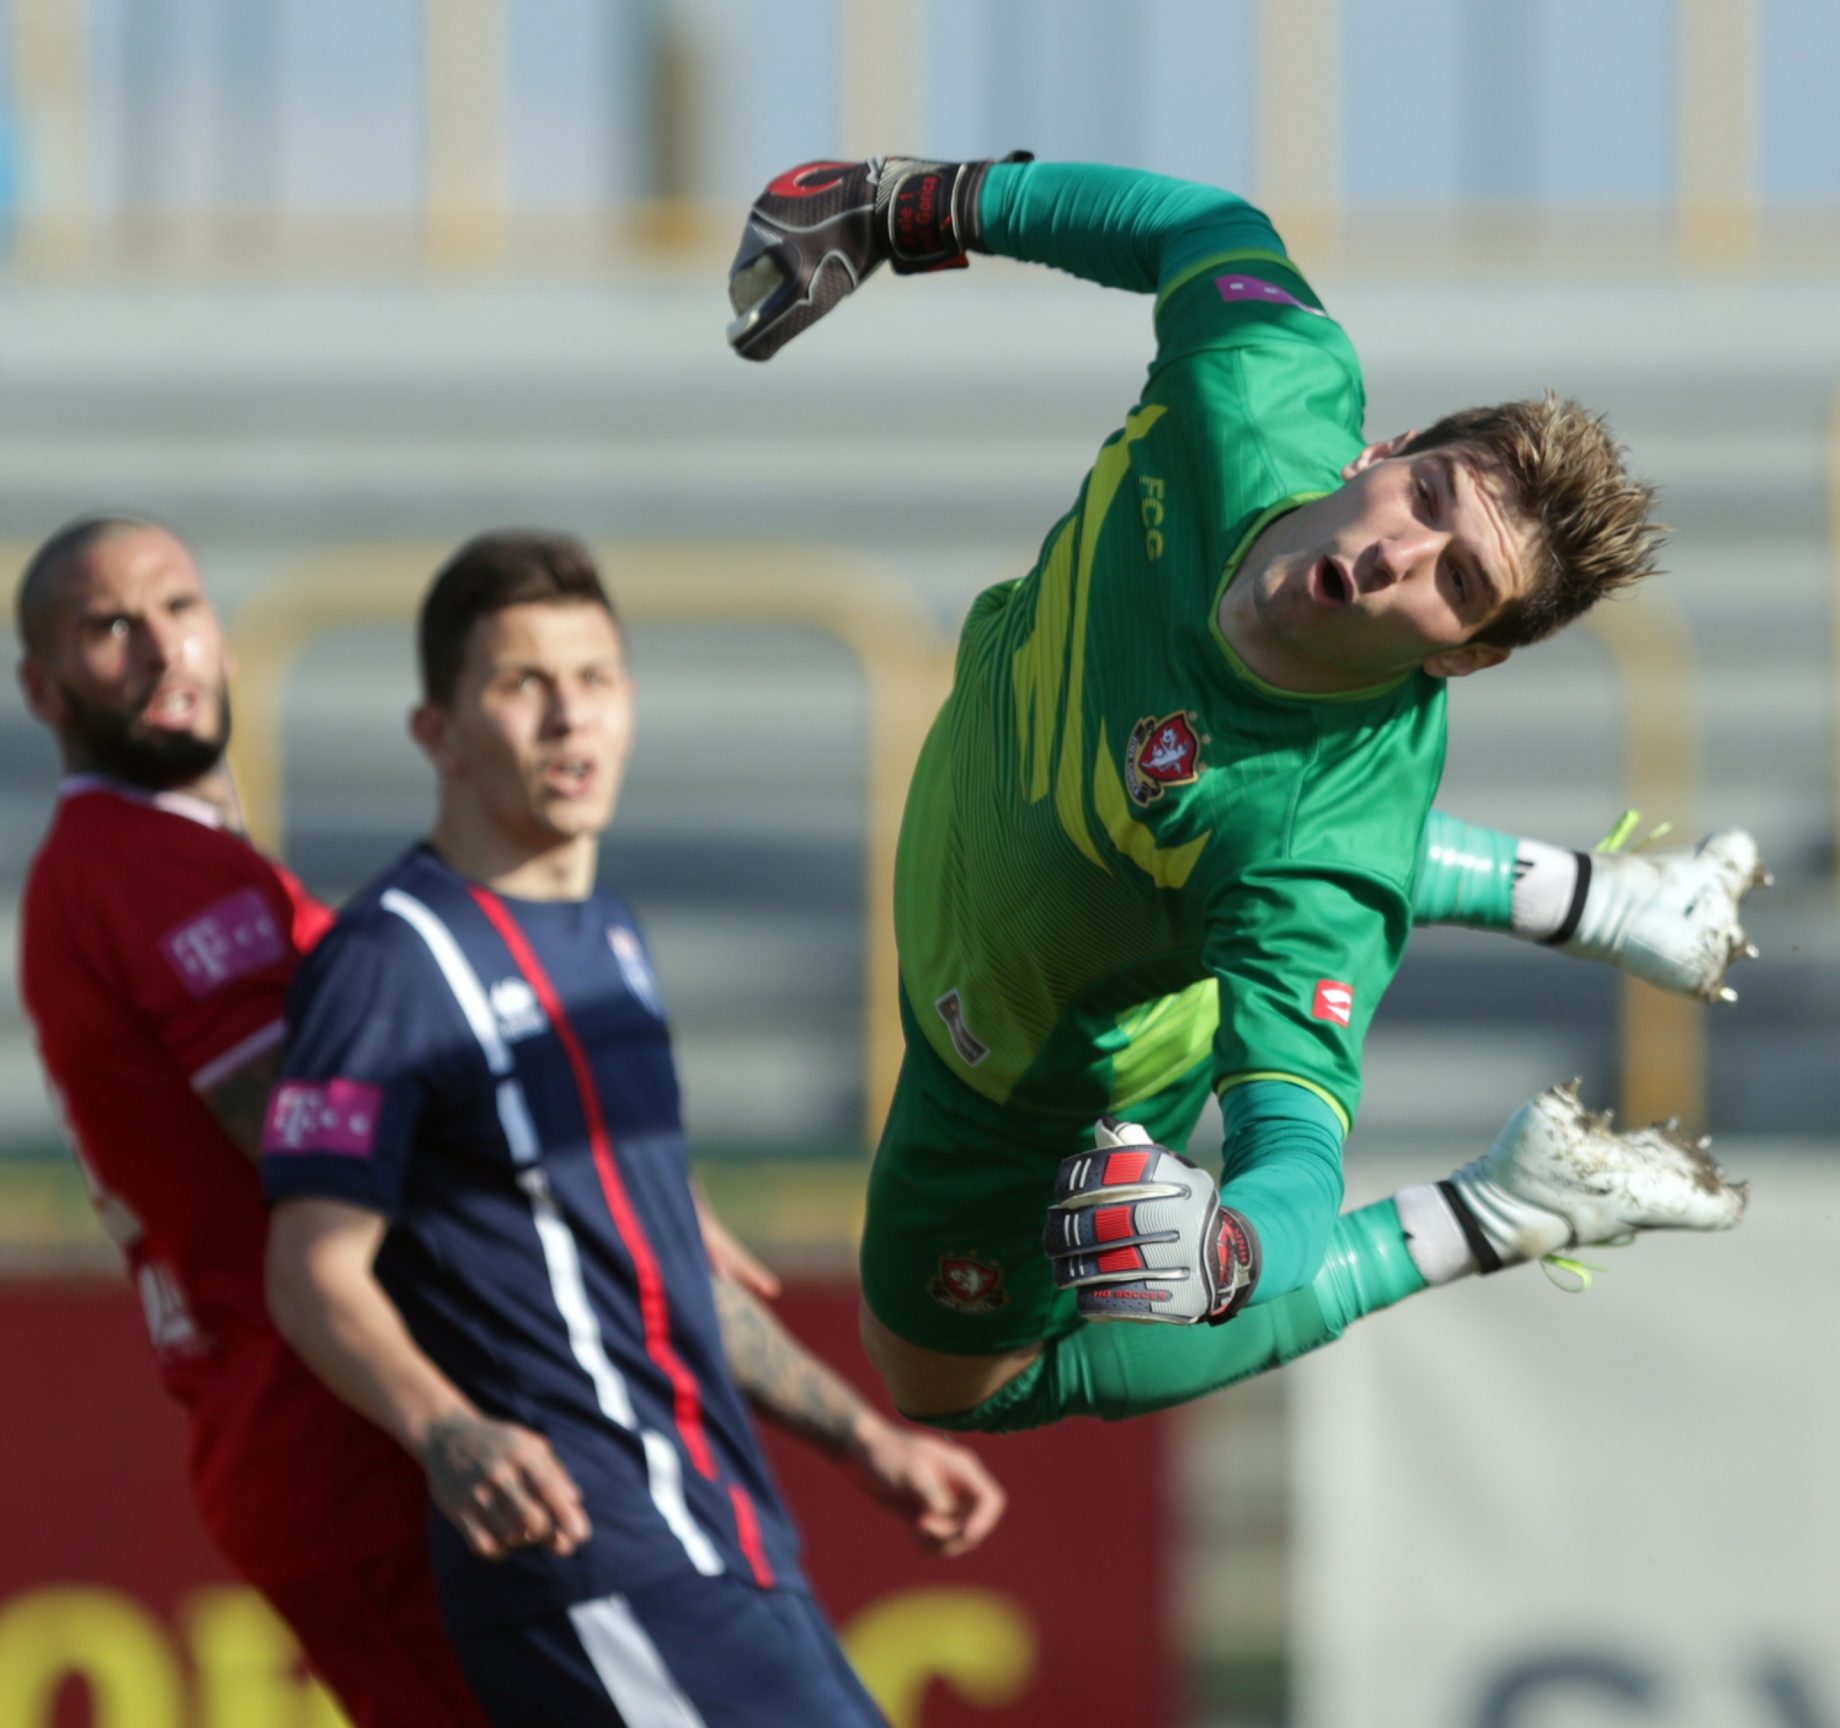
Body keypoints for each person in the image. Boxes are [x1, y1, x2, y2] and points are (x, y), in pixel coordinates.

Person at [723, 155, 1764, 1432]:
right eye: (1424, 495)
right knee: (1209, 831)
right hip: (1060, 886)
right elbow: (1200, 226)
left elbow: (1293, 1155)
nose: (1395, 552)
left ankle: (1497, 1210)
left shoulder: (1315, 852)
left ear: (1466, 655)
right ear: (1381, 447)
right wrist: (911, 204)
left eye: (1454, 581)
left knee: (945, 1386)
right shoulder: (1265, 384)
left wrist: (1232, 1257)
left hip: (1038, 1073)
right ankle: (1611, 899)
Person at [261, 532, 1006, 1728]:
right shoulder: (393, 960)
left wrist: (865, 1439)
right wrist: (446, 1430)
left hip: (723, 1530)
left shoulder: (610, 938)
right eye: (523, 684)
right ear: (436, 733)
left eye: (595, 680)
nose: (570, 720)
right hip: (587, 1548)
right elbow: (310, 1268)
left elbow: (660, 1262)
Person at [12, 514, 489, 1726]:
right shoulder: (142, 869)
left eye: (178, 606)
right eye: (107, 627)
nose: (161, 648)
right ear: (42, 688)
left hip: (307, 1422)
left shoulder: (169, 862)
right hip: (339, 1421)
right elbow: (311, 1139)